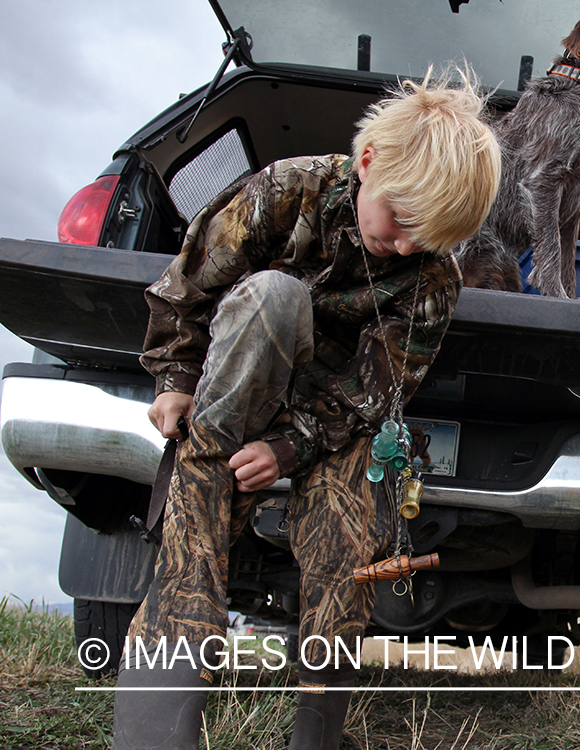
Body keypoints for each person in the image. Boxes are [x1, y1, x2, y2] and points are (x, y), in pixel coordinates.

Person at [111, 68, 501, 750]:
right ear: (369, 161)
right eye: (403, 219)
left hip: (334, 418)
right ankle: (158, 715)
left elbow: (377, 389)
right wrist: (174, 378)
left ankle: (316, 731)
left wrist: (289, 447)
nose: (408, 245)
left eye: (429, 237)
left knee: (344, 547)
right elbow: (186, 289)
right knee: (273, 300)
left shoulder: (432, 278)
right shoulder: (287, 189)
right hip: (238, 386)